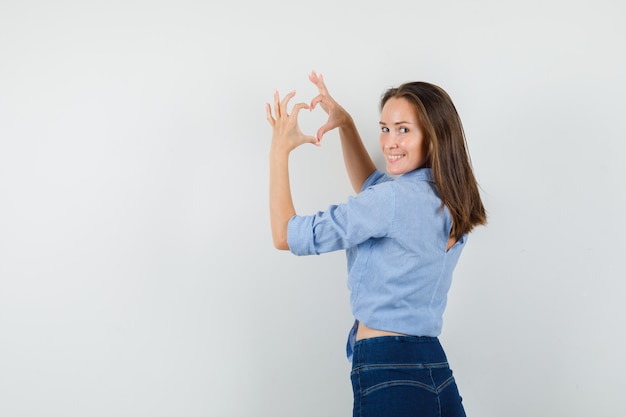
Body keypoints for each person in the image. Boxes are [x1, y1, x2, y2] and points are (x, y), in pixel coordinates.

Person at [265, 71, 486, 417]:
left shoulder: (391, 201)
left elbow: (285, 234)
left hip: (388, 367)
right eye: (385, 128)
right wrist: (346, 124)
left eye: (403, 129)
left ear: (434, 134)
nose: (389, 142)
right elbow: (372, 188)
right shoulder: (450, 198)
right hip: (435, 368)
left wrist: (279, 152)